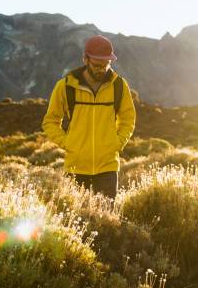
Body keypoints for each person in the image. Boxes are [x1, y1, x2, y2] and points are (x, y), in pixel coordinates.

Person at [42, 35, 136, 199]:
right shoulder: (65, 86)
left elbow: (128, 119)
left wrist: (117, 142)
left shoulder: (119, 86)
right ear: (85, 59)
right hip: (76, 167)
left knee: (106, 221)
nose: (102, 69)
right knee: (76, 221)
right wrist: (67, 143)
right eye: (97, 65)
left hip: (108, 167)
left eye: (106, 65)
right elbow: (50, 121)